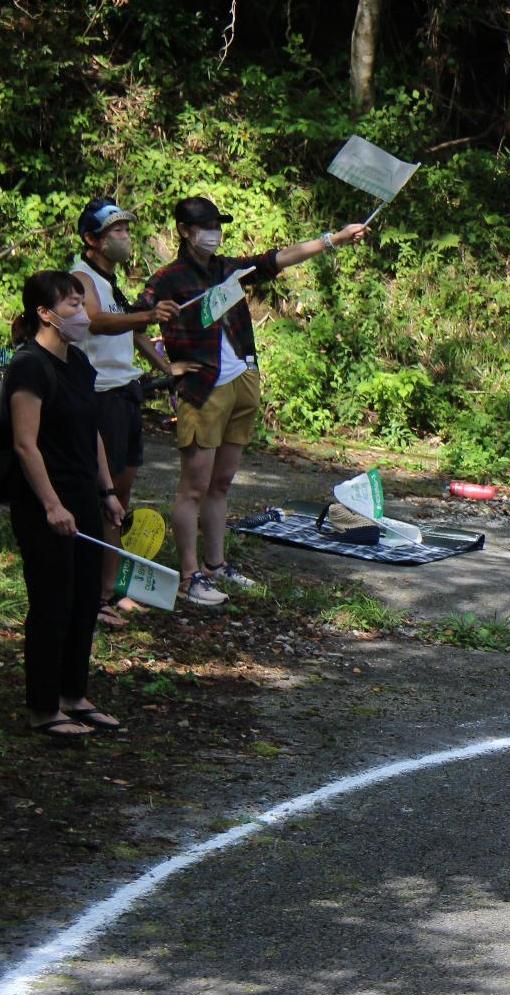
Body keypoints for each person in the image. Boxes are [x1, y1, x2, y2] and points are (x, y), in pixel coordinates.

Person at [143, 196, 369, 606]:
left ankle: (216, 565)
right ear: (184, 231)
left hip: (242, 380)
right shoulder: (167, 279)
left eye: (217, 226)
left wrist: (335, 239)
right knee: (193, 488)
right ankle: (188, 576)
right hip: (201, 387)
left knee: (222, 482)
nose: (213, 233)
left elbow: (277, 258)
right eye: (205, 226)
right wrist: (165, 367)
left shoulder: (227, 269)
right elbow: (134, 322)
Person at [4, 271, 127, 740]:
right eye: (71, 305)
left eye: (81, 302)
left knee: (82, 602)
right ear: (44, 313)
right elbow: (24, 444)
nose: (80, 312)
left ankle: (73, 694)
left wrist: (108, 492)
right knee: (52, 603)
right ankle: (42, 706)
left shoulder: (77, 361)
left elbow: (91, 431)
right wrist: (53, 506)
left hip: (83, 496)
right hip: (44, 502)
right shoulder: (30, 366)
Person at [70, 198, 187, 626]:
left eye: (126, 230)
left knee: (121, 497)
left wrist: (165, 369)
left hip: (125, 393)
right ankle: (94, 596)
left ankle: (110, 586)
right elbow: (97, 322)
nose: (125, 237)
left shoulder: (110, 278)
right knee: (104, 498)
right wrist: (148, 313)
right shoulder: (81, 277)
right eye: (115, 231)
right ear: (92, 240)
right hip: (101, 397)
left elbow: (132, 332)